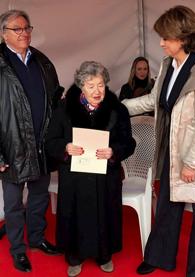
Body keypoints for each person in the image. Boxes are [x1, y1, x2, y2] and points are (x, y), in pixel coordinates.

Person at [122, 5, 195, 277]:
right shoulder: (168, 65)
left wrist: (192, 163)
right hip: (172, 151)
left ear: (185, 36)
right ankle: (160, 257)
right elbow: (154, 101)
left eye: (166, 38)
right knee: (166, 206)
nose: (161, 43)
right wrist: (118, 106)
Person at [45, 61, 136, 277]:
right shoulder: (64, 109)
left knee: (106, 213)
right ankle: (74, 257)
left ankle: (104, 255)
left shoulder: (118, 109)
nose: (97, 91)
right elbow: (50, 142)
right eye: (91, 85)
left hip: (106, 175)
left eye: (101, 85)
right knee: (74, 214)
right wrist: (65, 148)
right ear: (81, 86)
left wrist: (114, 151)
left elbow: (129, 142)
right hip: (75, 175)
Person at [0, 10, 63, 272]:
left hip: (41, 145)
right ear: (4, 34)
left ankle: (36, 239)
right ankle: (18, 249)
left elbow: (56, 99)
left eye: (27, 28)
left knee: (39, 197)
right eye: (17, 29)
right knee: (13, 204)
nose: (24, 33)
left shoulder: (42, 60)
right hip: (11, 147)